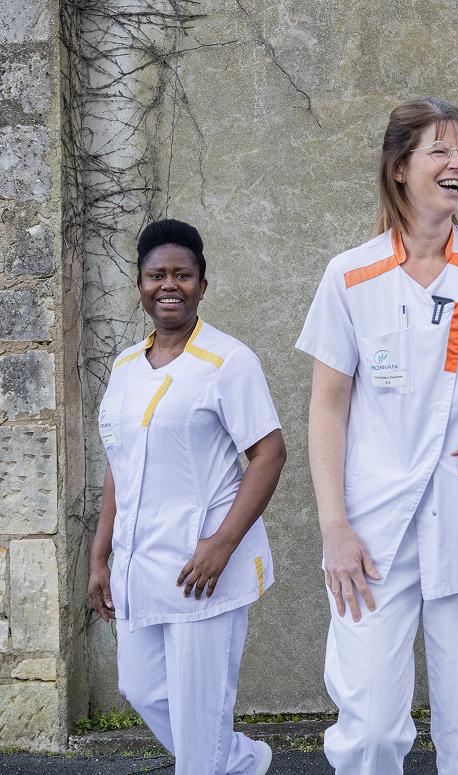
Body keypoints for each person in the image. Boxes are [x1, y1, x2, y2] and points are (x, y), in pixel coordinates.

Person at [296, 96, 458, 775]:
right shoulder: (350, 275)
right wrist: (333, 527)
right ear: (400, 168)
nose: (457, 163)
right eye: (440, 150)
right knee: (370, 732)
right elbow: (327, 408)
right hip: (371, 532)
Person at [88, 218, 286, 775]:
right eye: (157, 275)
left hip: (203, 568)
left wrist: (221, 545)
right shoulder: (126, 366)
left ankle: (220, 761)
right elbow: (120, 462)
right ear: (140, 284)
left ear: (202, 284)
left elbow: (269, 453)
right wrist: (100, 555)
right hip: (139, 564)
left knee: (199, 727)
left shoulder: (228, 361)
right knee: (141, 688)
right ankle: (243, 761)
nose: (168, 285)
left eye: (183, 274)